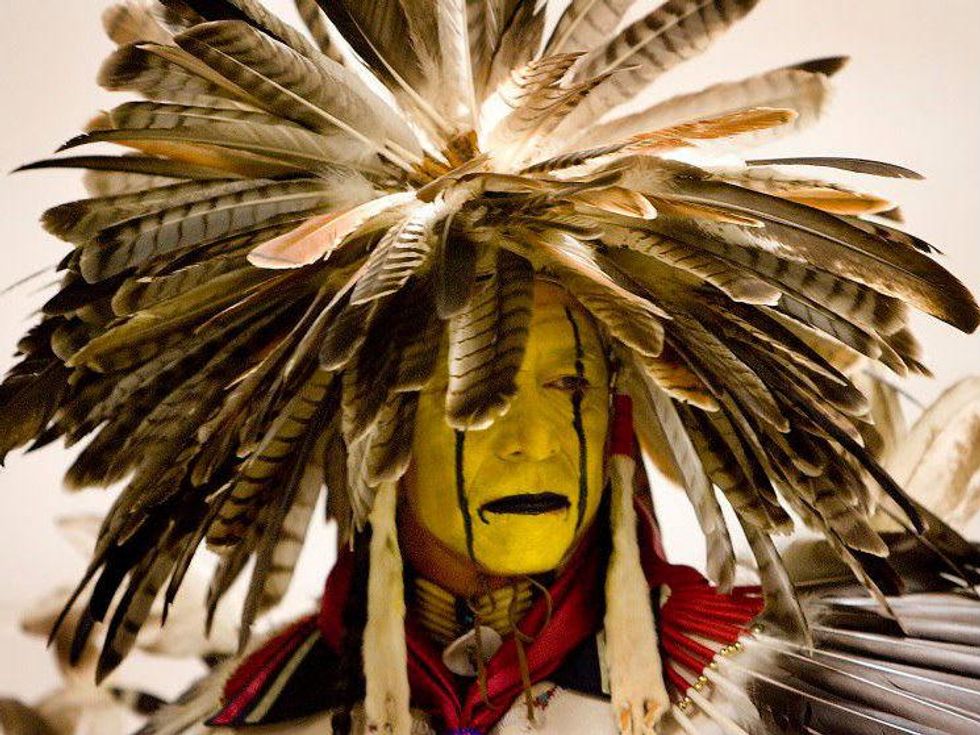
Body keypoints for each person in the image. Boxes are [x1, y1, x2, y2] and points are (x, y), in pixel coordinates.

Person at [1, 1, 979, 734]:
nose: (538, 440)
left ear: (621, 425)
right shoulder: (251, 713)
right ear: (374, 438)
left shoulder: (792, 681)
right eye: (478, 394)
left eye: (569, 388)